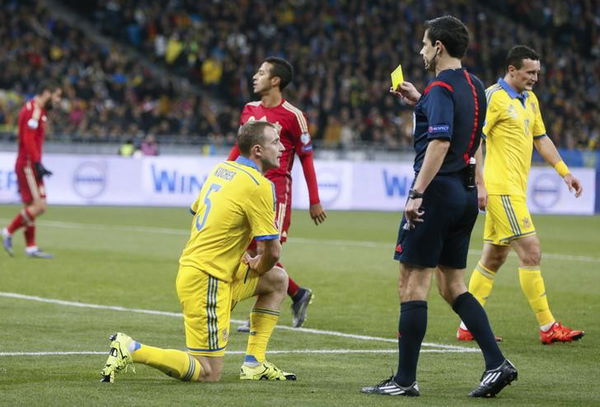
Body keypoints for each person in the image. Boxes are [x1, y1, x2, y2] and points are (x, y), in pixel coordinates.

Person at [361, 16, 517, 398]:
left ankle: (404, 380)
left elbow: (440, 143)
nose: (421, 50)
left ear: (439, 47)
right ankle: (497, 364)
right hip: (463, 194)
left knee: (412, 282)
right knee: (452, 286)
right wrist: (420, 103)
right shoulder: (475, 85)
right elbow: (471, 135)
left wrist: (416, 194)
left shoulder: (441, 87)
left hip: (436, 194)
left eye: (425, 44)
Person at [101, 121, 296, 383]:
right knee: (207, 373)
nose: (282, 148)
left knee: (278, 281)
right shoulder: (259, 185)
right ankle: (133, 349)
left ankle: (254, 364)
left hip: (207, 270)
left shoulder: (221, 169)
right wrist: (259, 265)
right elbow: (272, 252)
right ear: (258, 150)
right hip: (209, 280)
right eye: (276, 142)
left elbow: (196, 210)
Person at [456, 45, 584, 345]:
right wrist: (481, 184)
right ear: (511, 70)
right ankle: (548, 327)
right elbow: (475, 139)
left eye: (537, 73)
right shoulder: (494, 97)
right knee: (531, 251)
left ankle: (467, 325)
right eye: (530, 72)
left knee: (494, 257)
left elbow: (541, 139)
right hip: (501, 191)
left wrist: (565, 172)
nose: (535, 78)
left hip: (515, 191)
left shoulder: (530, 100)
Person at [227, 57, 327, 328]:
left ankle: (248, 308)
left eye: (261, 72)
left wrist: (314, 200)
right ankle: (297, 293)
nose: (254, 77)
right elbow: (239, 149)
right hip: (245, 188)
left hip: (275, 193)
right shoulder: (248, 109)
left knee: (267, 249)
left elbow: (306, 158)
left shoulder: (294, 116)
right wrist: (224, 175)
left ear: (275, 81)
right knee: (241, 248)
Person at [2, 81, 62, 259]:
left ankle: (31, 247)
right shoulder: (34, 110)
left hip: (31, 162)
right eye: (56, 95)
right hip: (28, 163)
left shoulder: (36, 110)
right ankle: (7, 231)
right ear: (46, 92)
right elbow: (28, 138)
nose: (58, 100)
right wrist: (37, 163)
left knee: (31, 206)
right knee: (40, 206)